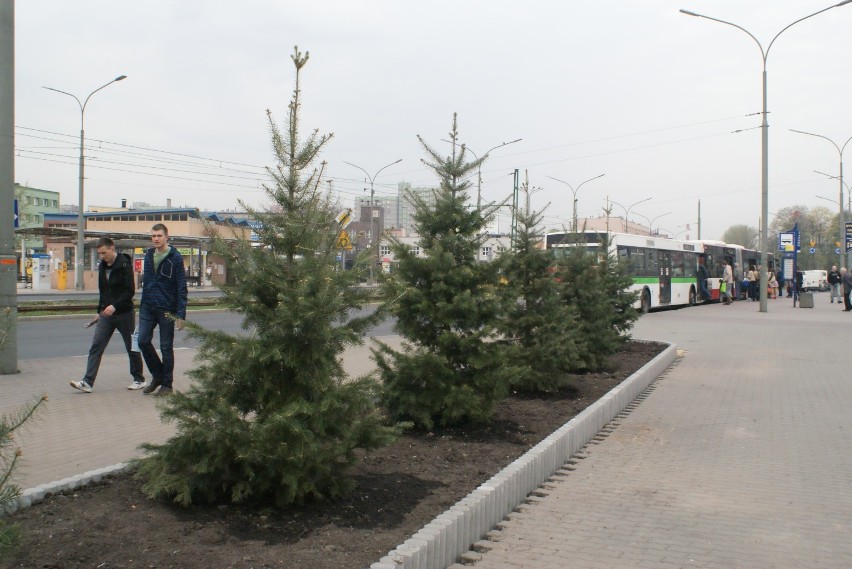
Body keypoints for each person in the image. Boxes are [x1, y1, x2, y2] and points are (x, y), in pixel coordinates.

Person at [70, 237, 146, 393]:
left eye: (104, 252)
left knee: (131, 347)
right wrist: (99, 311)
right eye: (99, 253)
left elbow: (129, 291)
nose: (102, 256)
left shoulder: (124, 264)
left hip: (124, 313)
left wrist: (115, 305)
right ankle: (87, 382)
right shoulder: (103, 267)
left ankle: (139, 379)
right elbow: (103, 291)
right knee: (96, 346)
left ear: (112, 248)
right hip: (106, 314)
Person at [138, 223, 188, 396]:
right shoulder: (149, 255)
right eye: (153, 236)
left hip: (167, 308)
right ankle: (158, 376)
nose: (156, 239)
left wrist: (180, 314)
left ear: (167, 237)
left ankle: (167, 385)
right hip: (148, 306)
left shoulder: (175, 257)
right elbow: (147, 281)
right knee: (142, 341)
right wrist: (143, 303)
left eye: (159, 236)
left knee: (166, 347)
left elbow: (181, 286)